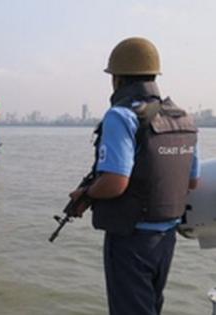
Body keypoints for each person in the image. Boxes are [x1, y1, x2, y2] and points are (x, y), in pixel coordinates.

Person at [67, 37, 200, 315]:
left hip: (131, 239)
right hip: (166, 240)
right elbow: (191, 181)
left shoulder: (122, 116)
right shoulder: (182, 119)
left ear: (117, 79)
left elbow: (116, 182)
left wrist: (87, 194)